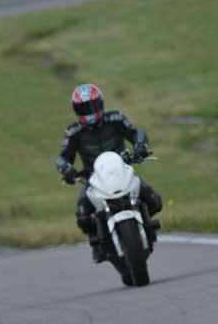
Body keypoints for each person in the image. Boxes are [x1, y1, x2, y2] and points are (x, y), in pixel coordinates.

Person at [56, 84, 163, 262]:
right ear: (76, 111)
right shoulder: (73, 132)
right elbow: (62, 157)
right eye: (84, 108)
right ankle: (96, 244)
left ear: (101, 104)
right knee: (82, 215)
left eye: (92, 107)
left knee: (154, 200)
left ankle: (145, 225)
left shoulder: (116, 118)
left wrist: (140, 147)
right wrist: (68, 170)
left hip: (122, 170)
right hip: (92, 178)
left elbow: (137, 133)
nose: (89, 112)